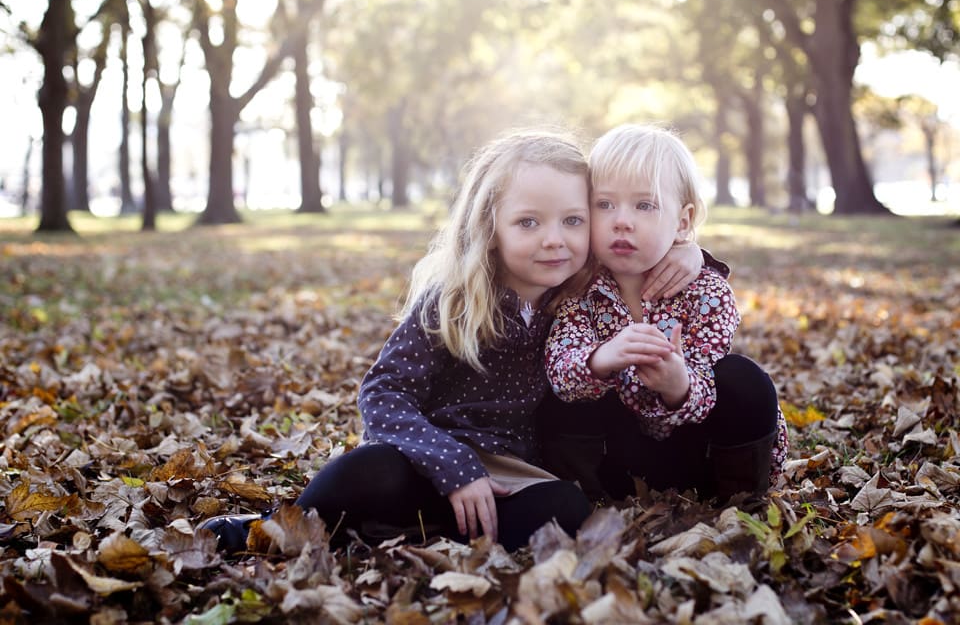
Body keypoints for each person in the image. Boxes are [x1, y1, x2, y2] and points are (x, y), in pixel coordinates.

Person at [198, 128, 703, 555]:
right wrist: (451, 465)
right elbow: (383, 393)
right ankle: (270, 530)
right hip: (425, 457)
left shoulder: (579, 299)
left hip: (511, 474)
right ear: (490, 228)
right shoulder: (456, 301)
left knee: (567, 511)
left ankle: (404, 533)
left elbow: (645, 239)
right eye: (528, 222)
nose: (555, 238)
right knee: (363, 470)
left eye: (573, 221)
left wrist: (691, 252)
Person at [540, 123, 788, 504]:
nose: (622, 220)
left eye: (645, 205)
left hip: (697, 455)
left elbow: (708, 373)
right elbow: (561, 369)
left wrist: (679, 386)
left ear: (683, 221)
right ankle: (586, 497)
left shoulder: (707, 293)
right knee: (560, 392)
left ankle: (739, 497)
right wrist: (600, 360)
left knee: (745, 379)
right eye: (604, 204)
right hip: (617, 461)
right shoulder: (578, 290)